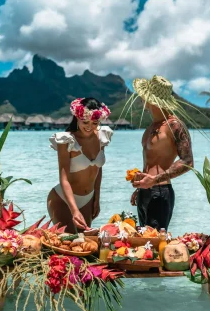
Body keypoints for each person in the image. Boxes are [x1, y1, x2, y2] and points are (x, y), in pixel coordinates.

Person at [129, 75, 194, 231]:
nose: (141, 99)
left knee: (154, 244)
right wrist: (141, 188)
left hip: (160, 192)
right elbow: (151, 162)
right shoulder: (151, 127)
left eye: (144, 96)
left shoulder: (174, 125)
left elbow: (188, 161)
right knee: (143, 244)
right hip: (145, 192)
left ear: (151, 99)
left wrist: (155, 180)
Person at [47, 97, 113, 232]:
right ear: (77, 118)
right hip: (63, 200)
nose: (89, 127)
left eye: (95, 123)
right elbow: (63, 178)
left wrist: (96, 198)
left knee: (88, 246)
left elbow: (98, 169)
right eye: (85, 122)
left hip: (88, 199)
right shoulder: (67, 140)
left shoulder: (101, 137)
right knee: (70, 244)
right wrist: (74, 210)